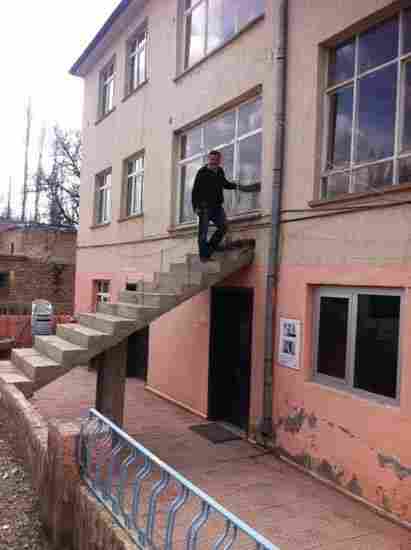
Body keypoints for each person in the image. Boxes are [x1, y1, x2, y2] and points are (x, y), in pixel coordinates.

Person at [191, 150, 260, 262]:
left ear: (219, 160)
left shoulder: (220, 171)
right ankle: (204, 256)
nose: (214, 161)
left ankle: (209, 249)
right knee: (203, 233)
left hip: (217, 207)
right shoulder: (202, 172)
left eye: (216, 159)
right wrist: (195, 207)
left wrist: (237, 186)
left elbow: (225, 184)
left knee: (223, 227)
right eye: (212, 159)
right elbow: (195, 191)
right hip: (205, 207)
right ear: (209, 159)